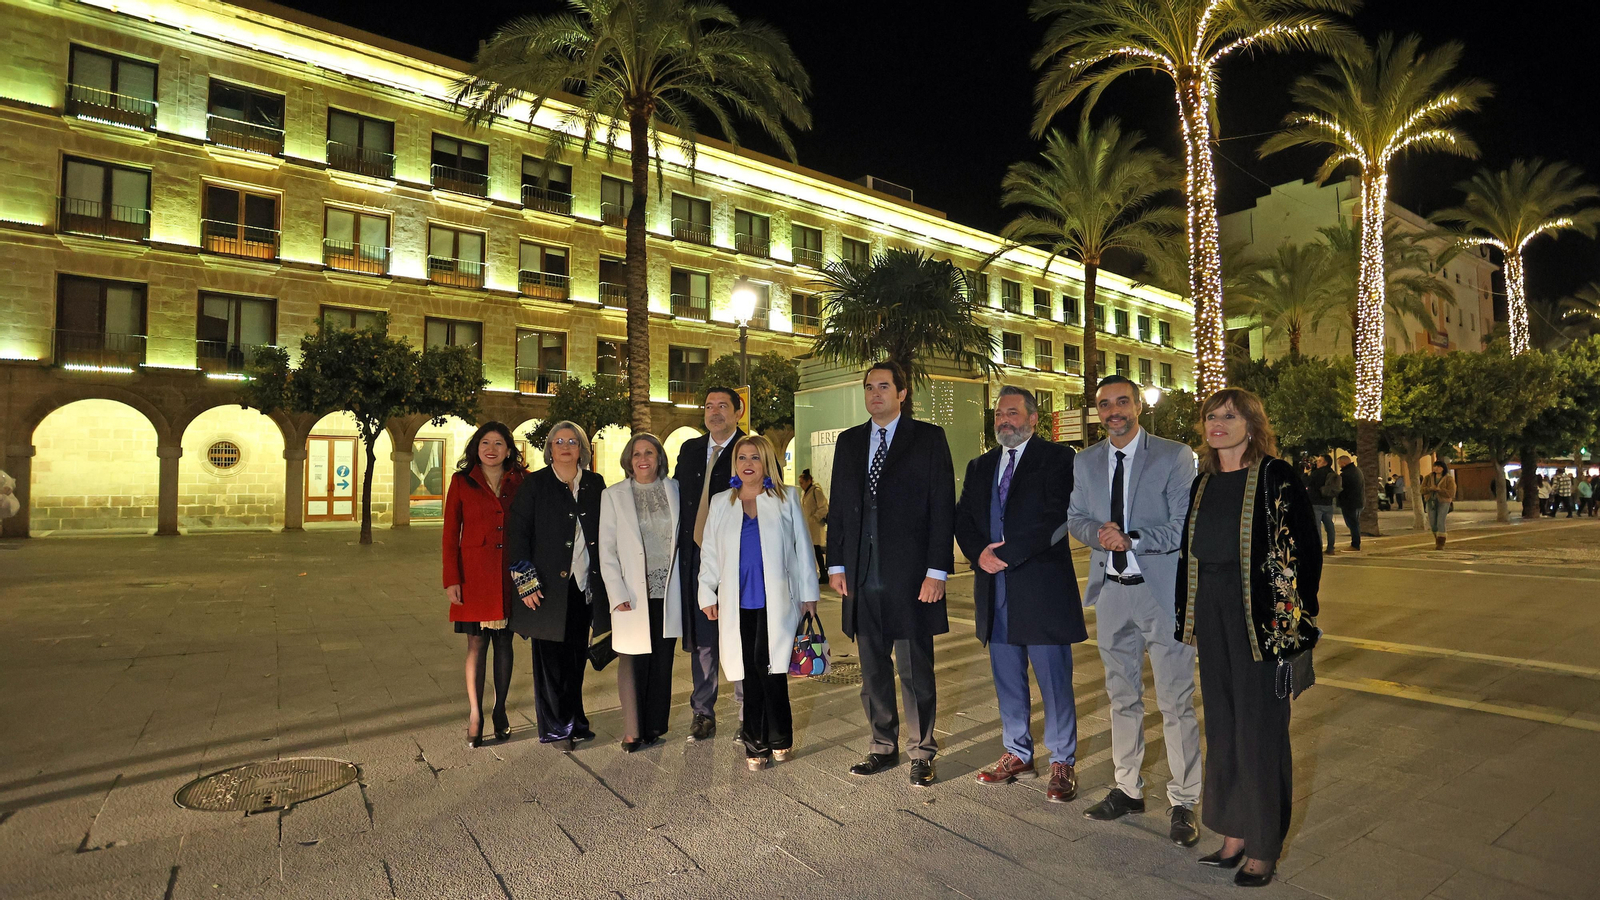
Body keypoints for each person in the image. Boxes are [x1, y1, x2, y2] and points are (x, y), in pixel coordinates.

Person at [1176, 388, 1322, 888]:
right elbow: (1189, 552)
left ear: (1251, 423)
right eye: (1212, 416)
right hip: (1212, 611)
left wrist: (1294, 625)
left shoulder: (1276, 477)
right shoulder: (1204, 482)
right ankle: (1233, 832)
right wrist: (1189, 614)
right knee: (1222, 723)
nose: (1218, 424)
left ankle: (1262, 846)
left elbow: (1306, 550)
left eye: (1230, 416)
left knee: (1260, 730)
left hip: (1261, 618)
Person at [1067, 374, 1202, 848]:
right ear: (1098, 411)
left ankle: (1184, 801)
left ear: (1138, 406)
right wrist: (1099, 535)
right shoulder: (1085, 462)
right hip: (1112, 593)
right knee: (1121, 696)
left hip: (1160, 592)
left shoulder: (1173, 455)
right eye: (1105, 405)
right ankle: (1128, 789)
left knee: (1174, 701)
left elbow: (1183, 525)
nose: (1113, 411)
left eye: (1122, 402)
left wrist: (1133, 540)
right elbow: (1076, 519)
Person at [827, 361, 956, 788]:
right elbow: (842, 507)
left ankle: (922, 750)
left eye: (884, 386)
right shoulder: (849, 442)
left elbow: (942, 508)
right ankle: (882, 745)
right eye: (869, 387)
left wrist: (937, 571)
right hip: (863, 575)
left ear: (902, 393)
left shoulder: (928, 439)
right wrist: (837, 563)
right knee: (872, 668)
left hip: (911, 575)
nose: (875, 393)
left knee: (915, 667)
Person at [954, 386, 1084, 803]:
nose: (1003, 421)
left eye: (1011, 413)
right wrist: (978, 555)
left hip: (1041, 587)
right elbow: (964, 519)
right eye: (998, 415)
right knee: (1007, 678)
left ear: (1032, 418)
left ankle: (1062, 760)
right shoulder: (980, 466)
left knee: (1054, 679)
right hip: (995, 591)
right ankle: (1018, 753)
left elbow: (1056, 515)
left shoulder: (1059, 458)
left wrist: (1005, 555)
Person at [698, 435, 820, 770]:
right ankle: (755, 742)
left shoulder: (786, 498)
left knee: (772, 668)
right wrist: (706, 592)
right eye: (741, 457)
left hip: (778, 601)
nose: (747, 463)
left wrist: (810, 595)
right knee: (749, 670)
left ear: (766, 462)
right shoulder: (723, 501)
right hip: (736, 603)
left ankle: (779, 737)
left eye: (754, 457)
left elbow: (803, 549)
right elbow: (708, 552)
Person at [506, 421, 607, 748]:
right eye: (559, 441)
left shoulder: (594, 483)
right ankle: (557, 727)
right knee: (550, 661)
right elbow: (517, 535)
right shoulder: (535, 484)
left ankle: (575, 719)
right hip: (545, 588)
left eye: (572, 441)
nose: (565, 446)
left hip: (583, 588)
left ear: (582, 449)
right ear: (550, 448)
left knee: (576, 659)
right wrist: (525, 583)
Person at [599, 432, 684, 752]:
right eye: (636, 454)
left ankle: (654, 726)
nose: (643, 458)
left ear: (659, 458)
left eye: (649, 452)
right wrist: (615, 591)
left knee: (662, 661)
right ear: (628, 460)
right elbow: (606, 551)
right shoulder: (614, 495)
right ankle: (633, 730)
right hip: (631, 592)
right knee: (632, 659)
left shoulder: (673, 489)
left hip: (667, 589)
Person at [442, 423, 526, 748]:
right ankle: (475, 714)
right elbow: (450, 534)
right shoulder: (462, 481)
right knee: (476, 645)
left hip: (509, 575)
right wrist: (452, 579)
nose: (491, 448)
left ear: (508, 449)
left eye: (499, 443)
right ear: (477, 447)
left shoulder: (521, 481)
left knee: (505, 643)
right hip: (474, 576)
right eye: (485, 442)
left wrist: (528, 582)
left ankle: (500, 710)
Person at [672, 387, 746, 742]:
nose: (714, 412)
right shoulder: (688, 450)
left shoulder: (750, 450)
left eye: (723, 406)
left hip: (737, 561)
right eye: (709, 406)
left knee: (741, 635)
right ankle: (703, 712)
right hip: (694, 559)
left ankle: (749, 712)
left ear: (737, 411)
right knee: (703, 639)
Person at [1304, 455, 1340, 556]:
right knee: (1329, 526)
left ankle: (1318, 548)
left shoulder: (1317, 473)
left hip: (1316, 503)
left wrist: (1305, 474)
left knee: (1317, 527)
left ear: (1325, 462)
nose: (1317, 463)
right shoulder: (1332, 473)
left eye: (1319, 461)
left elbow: (1305, 482)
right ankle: (1331, 547)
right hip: (1328, 503)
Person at [799, 469, 829, 585]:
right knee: (812, 550)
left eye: (802, 483)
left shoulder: (816, 491)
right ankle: (819, 572)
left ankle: (823, 573)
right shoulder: (805, 493)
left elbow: (824, 507)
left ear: (808, 481)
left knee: (816, 550)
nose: (801, 486)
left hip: (815, 526)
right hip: (808, 526)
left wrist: (814, 518)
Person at [1420, 460, 1457, 550]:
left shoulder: (1448, 478)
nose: (1436, 468)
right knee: (1433, 523)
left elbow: (1451, 492)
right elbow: (1422, 490)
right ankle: (1437, 538)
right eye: (1435, 466)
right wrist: (1430, 489)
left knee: (1440, 521)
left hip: (1443, 502)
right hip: (1431, 501)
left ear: (1443, 468)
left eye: (1439, 467)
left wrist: (1440, 489)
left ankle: (1440, 543)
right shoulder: (1428, 477)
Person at [1336, 453, 1364, 551]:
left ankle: (1355, 544)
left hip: (1349, 503)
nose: (1339, 465)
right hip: (1358, 502)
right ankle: (1356, 542)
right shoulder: (1357, 471)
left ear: (1343, 463)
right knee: (1354, 523)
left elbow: (1340, 489)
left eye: (1339, 463)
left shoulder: (1346, 474)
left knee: (1352, 524)